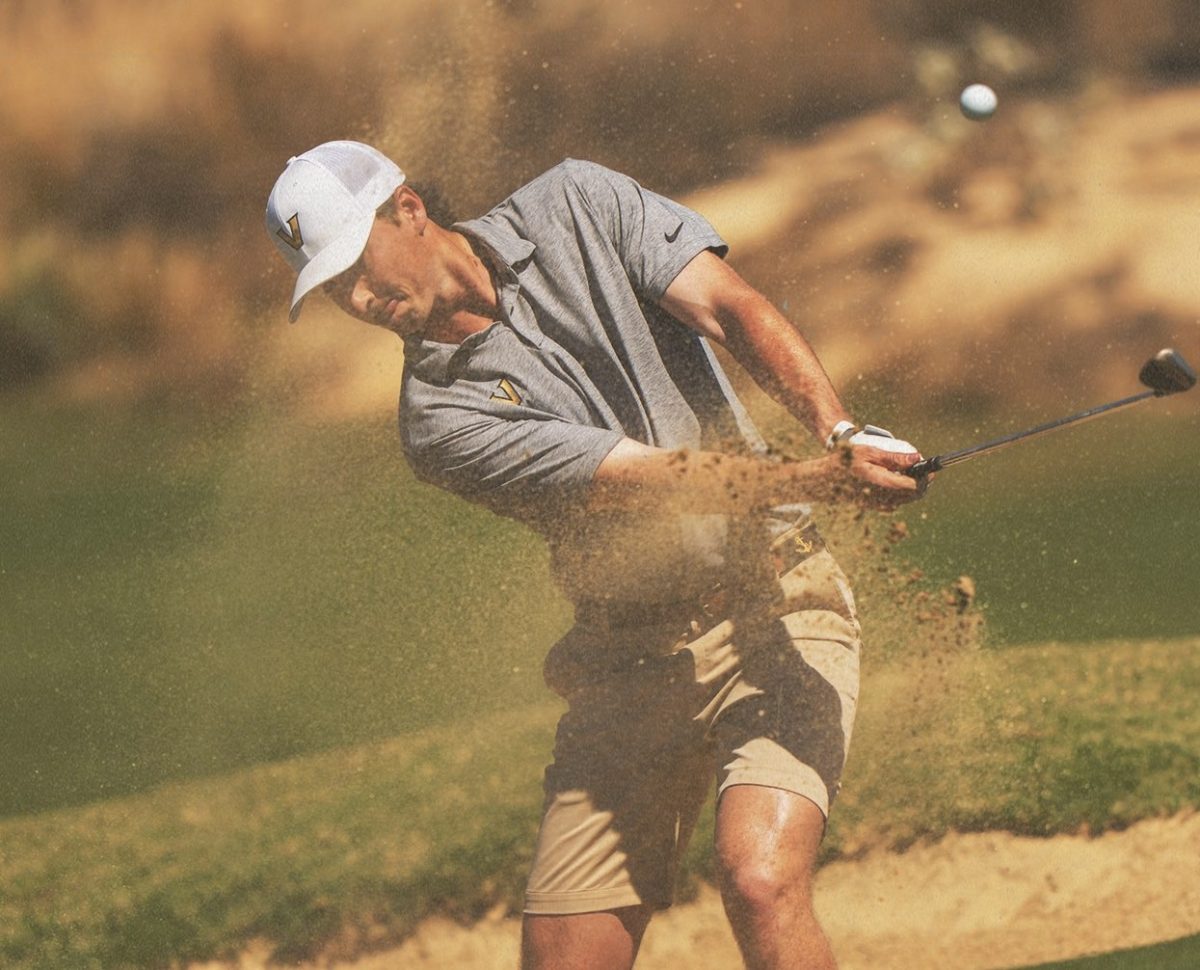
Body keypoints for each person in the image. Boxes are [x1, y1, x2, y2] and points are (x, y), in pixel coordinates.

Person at [265, 140, 928, 970]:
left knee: (759, 879)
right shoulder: (435, 424)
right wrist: (818, 479)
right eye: (330, 287)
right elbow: (646, 483)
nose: (357, 298)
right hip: (626, 661)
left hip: (778, 591)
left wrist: (839, 433)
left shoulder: (578, 203)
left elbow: (731, 309)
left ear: (408, 209)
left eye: (355, 264)